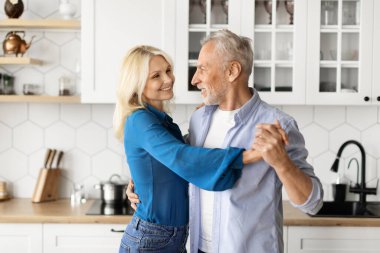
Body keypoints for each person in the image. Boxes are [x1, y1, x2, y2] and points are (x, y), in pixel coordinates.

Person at [128, 30, 324, 253]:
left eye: (202, 68)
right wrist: (140, 179)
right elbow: (184, 160)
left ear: (232, 71)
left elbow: (313, 203)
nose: (194, 79)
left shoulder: (278, 125)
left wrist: (282, 163)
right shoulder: (199, 119)